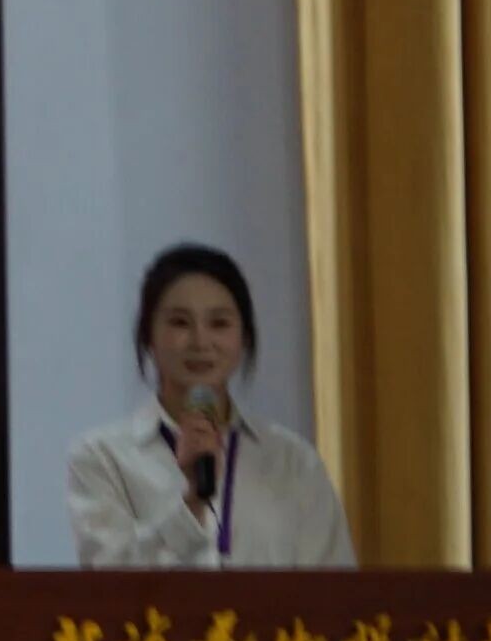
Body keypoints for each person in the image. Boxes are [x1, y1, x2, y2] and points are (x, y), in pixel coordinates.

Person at [64, 240, 353, 570]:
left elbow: (334, 586)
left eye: (219, 324)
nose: (201, 342)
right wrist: (191, 503)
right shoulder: (102, 457)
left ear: (244, 337)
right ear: (148, 336)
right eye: (180, 323)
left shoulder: (294, 463)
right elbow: (106, 577)